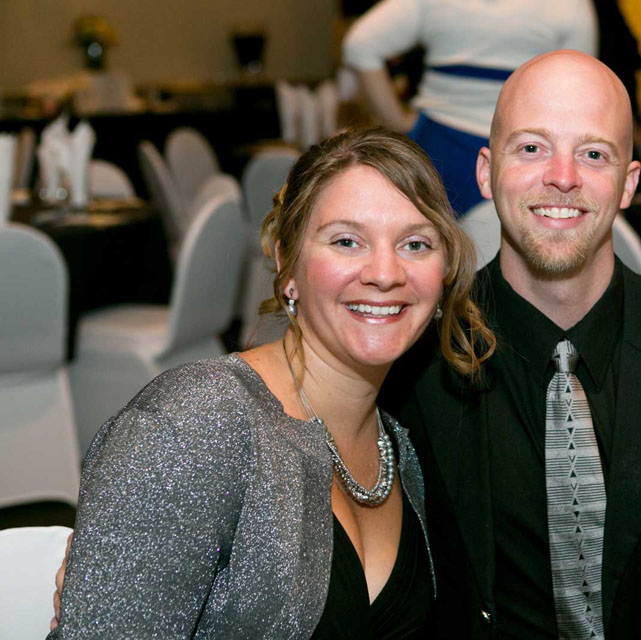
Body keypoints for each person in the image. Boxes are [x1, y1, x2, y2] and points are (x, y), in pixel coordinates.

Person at [381, 50, 641, 638]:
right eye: (531, 147)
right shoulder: (409, 361)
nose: (563, 175)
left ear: (629, 183)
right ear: (486, 172)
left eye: (593, 153)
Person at [47, 127, 494, 639]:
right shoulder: (195, 425)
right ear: (288, 267)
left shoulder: (404, 443)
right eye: (347, 241)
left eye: (415, 244)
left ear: (443, 273)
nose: (385, 272)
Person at [341, 0, 597, 216]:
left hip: (437, 147)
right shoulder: (569, 5)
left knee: (433, 260)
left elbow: (360, 45)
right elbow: (578, 88)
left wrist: (397, 122)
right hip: (526, 154)